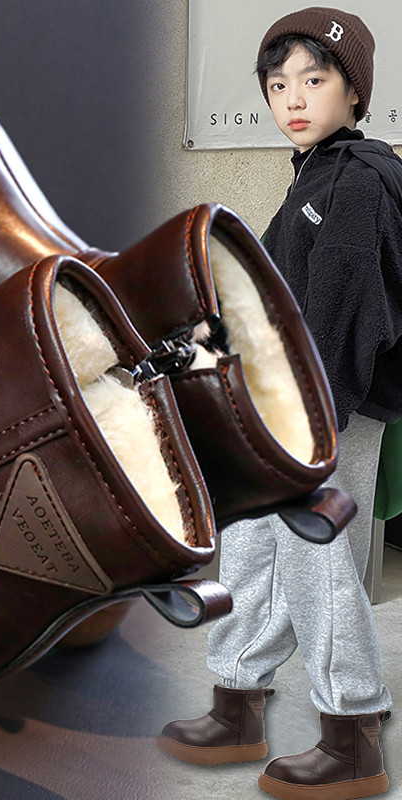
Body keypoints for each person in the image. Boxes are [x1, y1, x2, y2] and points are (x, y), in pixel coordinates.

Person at [156, 8, 402, 799]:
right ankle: (237, 704)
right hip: (279, 409)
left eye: (314, 79)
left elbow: (346, 315)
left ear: (355, 90)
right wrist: (205, 335)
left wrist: (308, 425)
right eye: (277, 85)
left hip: (329, 412)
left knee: (319, 566)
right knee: (253, 548)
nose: (293, 99)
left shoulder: (359, 182)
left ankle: (352, 738)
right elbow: (265, 288)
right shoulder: (314, 176)